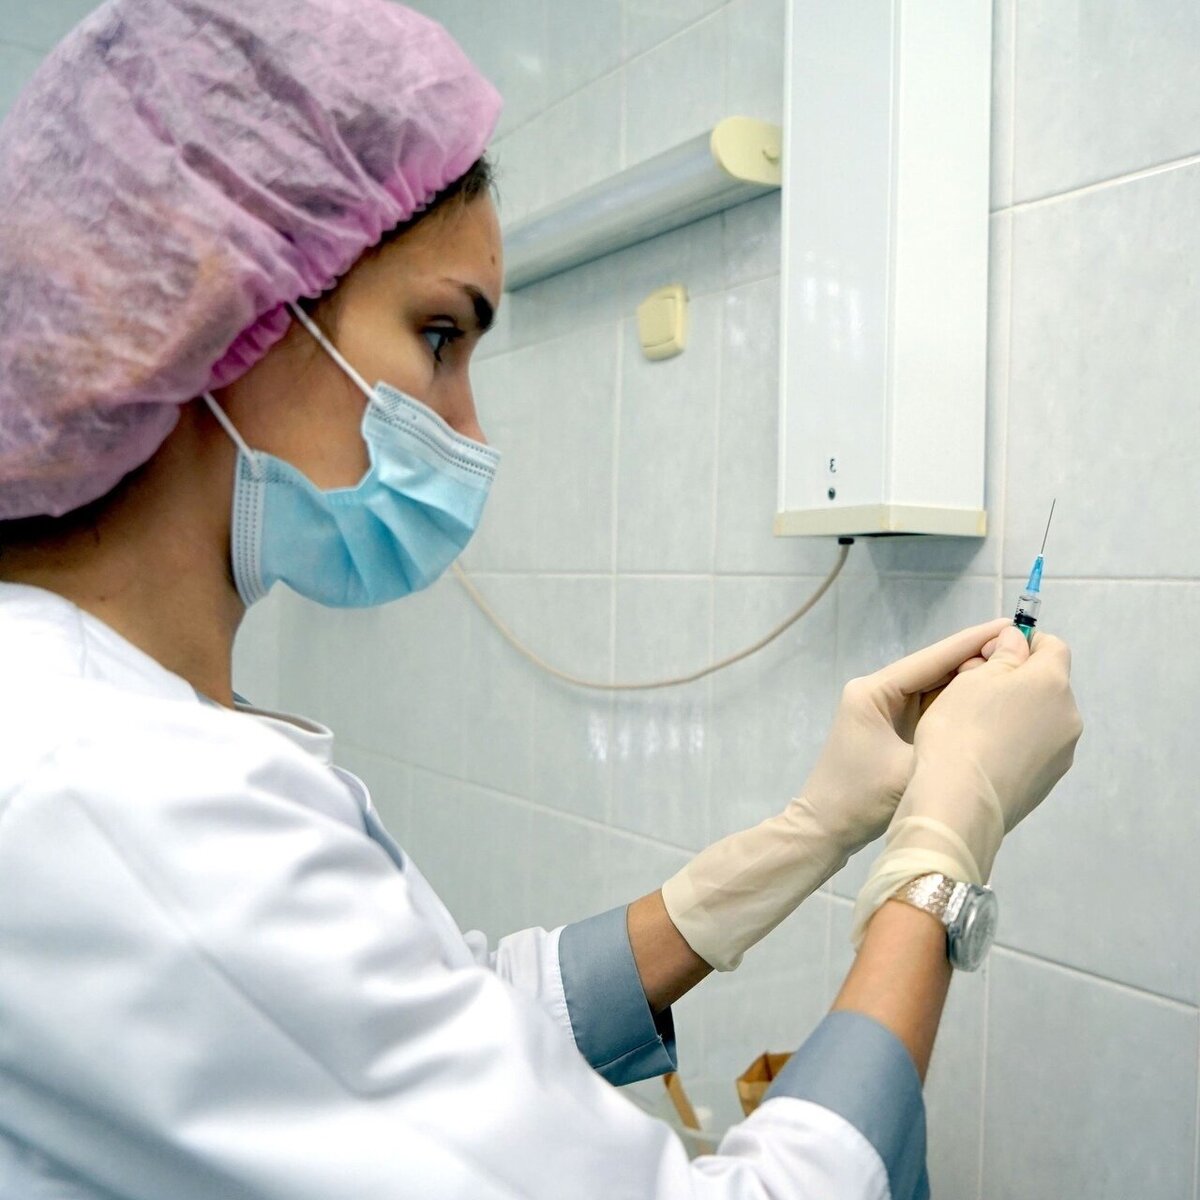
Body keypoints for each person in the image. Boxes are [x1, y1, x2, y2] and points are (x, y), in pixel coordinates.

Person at [0, 2, 1083, 1197]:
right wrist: (939, 856)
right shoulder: (126, 796)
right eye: (439, 337)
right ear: (223, 306)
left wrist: (803, 837)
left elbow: (434, 1032)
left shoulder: (84, 723)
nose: (468, 432)